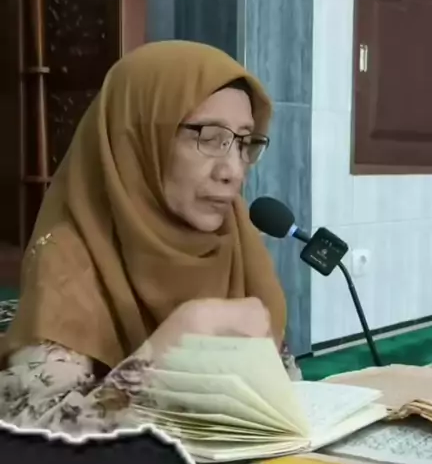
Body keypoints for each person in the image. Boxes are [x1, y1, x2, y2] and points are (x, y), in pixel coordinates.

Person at [0, 40, 301, 438]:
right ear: (137, 139)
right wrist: (177, 340)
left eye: (244, 142)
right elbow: (36, 433)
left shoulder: (235, 240)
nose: (233, 170)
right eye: (209, 137)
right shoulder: (70, 256)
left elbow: (285, 393)